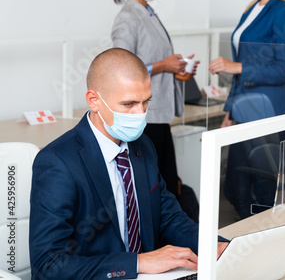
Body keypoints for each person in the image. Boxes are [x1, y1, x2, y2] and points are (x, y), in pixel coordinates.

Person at [29, 48, 227, 280]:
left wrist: (214, 246)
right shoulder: (57, 162)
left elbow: (168, 217)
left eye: (146, 102)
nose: (140, 114)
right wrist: (138, 263)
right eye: (129, 104)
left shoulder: (142, 145)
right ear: (94, 100)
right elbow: (48, 265)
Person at [208, 0, 285, 219]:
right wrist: (229, 110)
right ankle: (248, 244)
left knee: (262, 189)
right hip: (244, 112)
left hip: (267, 114)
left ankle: (263, 247)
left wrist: (236, 66)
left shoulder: (284, 11)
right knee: (236, 189)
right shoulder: (252, 8)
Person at [111, 0, 199, 220]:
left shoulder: (149, 13)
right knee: (156, 186)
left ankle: (172, 242)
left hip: (160, 114)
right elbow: (121, 68)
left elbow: (152, 61)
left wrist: (177, 70)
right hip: (144, 116)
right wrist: (163, 66)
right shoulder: (128, 16)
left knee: (168, 185)